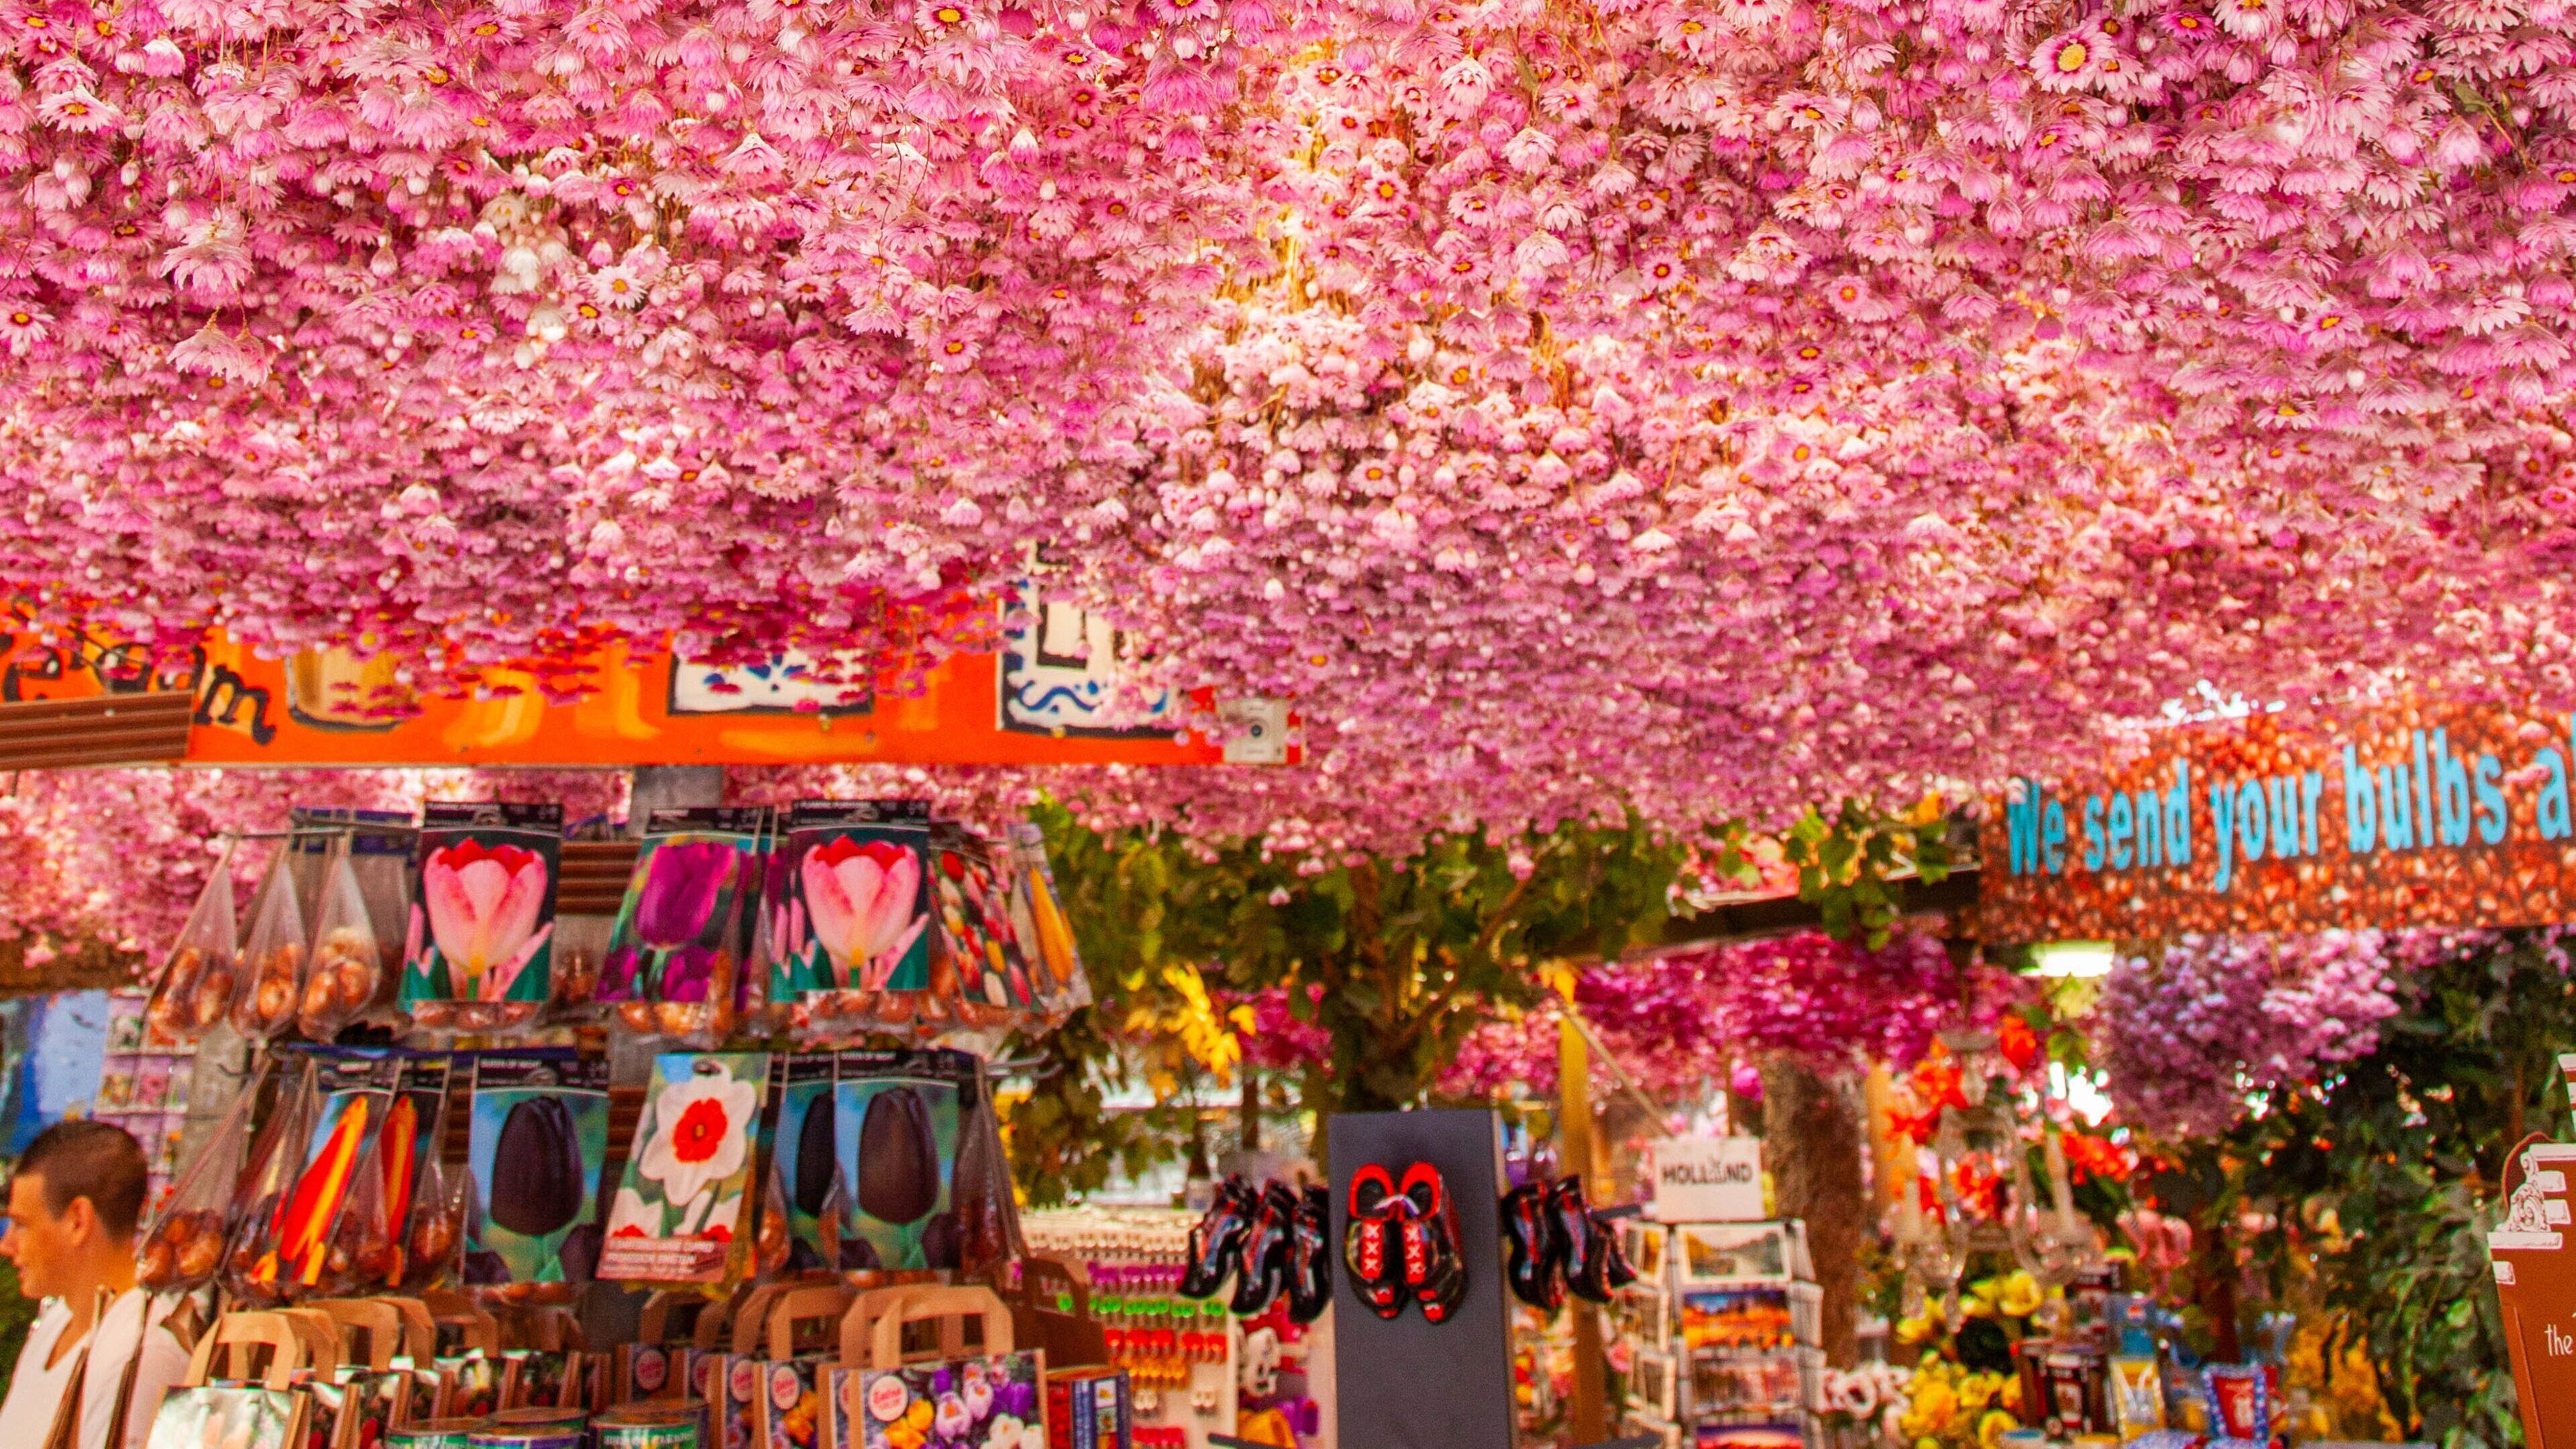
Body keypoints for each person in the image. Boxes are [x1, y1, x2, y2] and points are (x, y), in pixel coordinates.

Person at [0, 1120, 188, 1449]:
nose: (7, 1244)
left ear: (78, 1221)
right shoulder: (57, 1320)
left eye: (21, 1225)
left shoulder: (144, 1348)